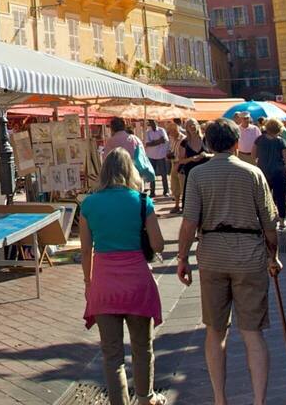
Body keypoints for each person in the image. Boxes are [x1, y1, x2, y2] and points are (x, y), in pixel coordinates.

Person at [175, 118, 280, 405]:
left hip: (212, 256)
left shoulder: (198, 175)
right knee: (252, 334)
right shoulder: (253, 173)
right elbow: (270, 223)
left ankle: (220, 398)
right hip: (249, 256)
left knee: (215, 331)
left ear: (208, 144)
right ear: (236, 143)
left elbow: (188, 223)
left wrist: (182, 257)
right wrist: (274, 255)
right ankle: (259, 400)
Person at [79, 148, 168, 405]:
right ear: (131, 170)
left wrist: (88, 282)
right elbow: (159, 245)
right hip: (137, 282)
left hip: (104, 284)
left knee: (112, 355)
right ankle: (145, 397)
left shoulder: (89, 203)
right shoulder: (141, 202)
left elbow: (86, 249)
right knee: (142, 348)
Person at [254, 118, 286, 231]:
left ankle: (266, 220)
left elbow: (253, 155)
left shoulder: (259, 140)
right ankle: (282, 221)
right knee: (280, 198)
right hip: (279, 173)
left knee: (264, 198)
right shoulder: (280, 141)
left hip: (263, 172)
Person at [173, 119, 211, 211]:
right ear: (186, 128)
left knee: (206, 197)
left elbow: (215, 154)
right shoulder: (184, 142)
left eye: (194, 125)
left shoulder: (206, 139)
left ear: (198, 125)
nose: (192, 127)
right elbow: (181, 160)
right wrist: (191, 159)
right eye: (190, 126)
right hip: (190, 172)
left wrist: (206, 155)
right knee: (191, 196)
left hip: (205, 172)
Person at [143, 120, 171, 198]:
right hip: (151, 156)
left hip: (161, 155)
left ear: (156, 123)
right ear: (150, 124)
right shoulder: (147, 132)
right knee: (152, 174)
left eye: (154, 122)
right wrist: (159, 141)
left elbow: (165, 140)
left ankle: (166, 191)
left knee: (164, 174)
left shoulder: (162, 130)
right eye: (151, 123)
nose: (153, 124)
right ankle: (152, 192)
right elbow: (148, 144)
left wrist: (153, 142)